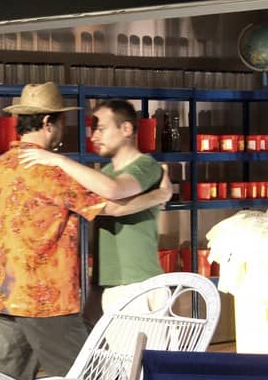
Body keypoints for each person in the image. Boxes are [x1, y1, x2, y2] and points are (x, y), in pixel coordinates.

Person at [0, 84, 171, 380]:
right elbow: (112, 206)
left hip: (0, 293)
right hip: (44, 296)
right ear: (48, 123)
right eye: (62, 122)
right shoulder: (50, 170)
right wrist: (161, 194)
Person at [20, 99, 169, 315]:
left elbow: (115, 192)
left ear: (126, 129)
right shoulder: (104, 174)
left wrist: (59, 160)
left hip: (138, 283)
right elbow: (108, 207)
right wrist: (160, 195)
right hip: (109, 284)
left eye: (101, 129)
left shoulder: (145, 165)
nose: (94, 137)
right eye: (93, 130)